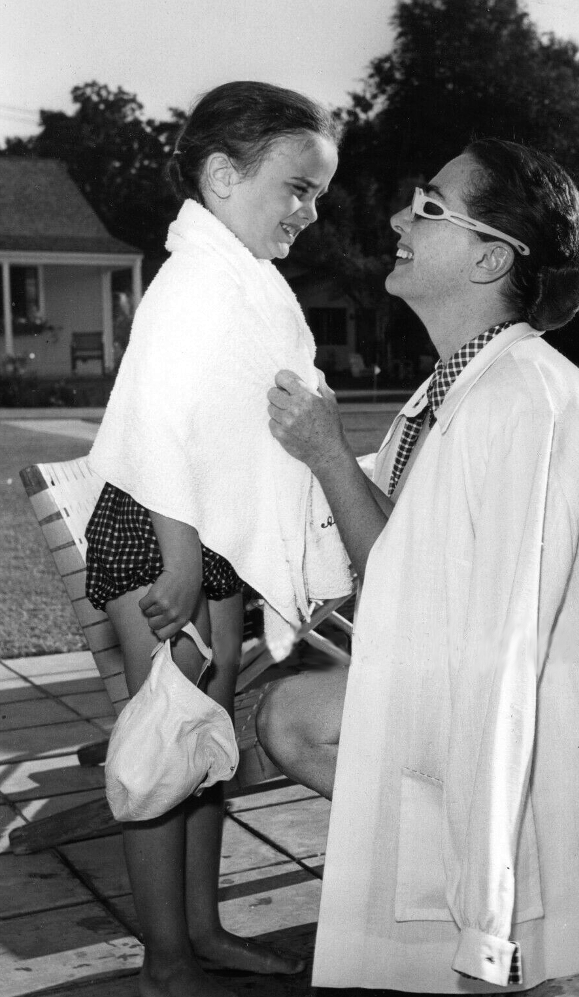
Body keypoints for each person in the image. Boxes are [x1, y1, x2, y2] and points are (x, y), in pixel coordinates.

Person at [259, 137, 579, 993]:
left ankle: (510, 898)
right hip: (536, 680)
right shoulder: (463, 382)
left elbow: (495, 657)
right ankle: (460, 882)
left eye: (428, 207)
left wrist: (484, 925)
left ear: (488, 258)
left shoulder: (521, 404)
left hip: (568, 718)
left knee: (301, 718)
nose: (400, 217)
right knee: (290, 711)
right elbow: (407, 564)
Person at [84, 81, 345, 997]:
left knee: (205, 748)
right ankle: (164, 964)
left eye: (319, 192)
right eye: (298, 188)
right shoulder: (193, 283)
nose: (310, 212)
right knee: (166, 745)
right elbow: (154, 419)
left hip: (204, 536)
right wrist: (185, 559)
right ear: (224, 176)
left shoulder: (243, 277)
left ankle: (202, 930)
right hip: (165, 535)